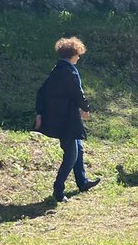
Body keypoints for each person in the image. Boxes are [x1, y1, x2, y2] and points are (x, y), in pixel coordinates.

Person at [35, 36, 101, 202]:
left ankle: (83, 182)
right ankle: (58, 189)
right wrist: (85, 108)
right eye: (78, 54)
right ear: (73, 54)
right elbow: (77, 93)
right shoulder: (70, 71)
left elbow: (41, 93)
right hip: (66, 119)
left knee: (78, 148)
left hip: (58, 116)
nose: (79, 57)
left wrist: (39, 113)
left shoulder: (57, 69)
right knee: (71, 154)